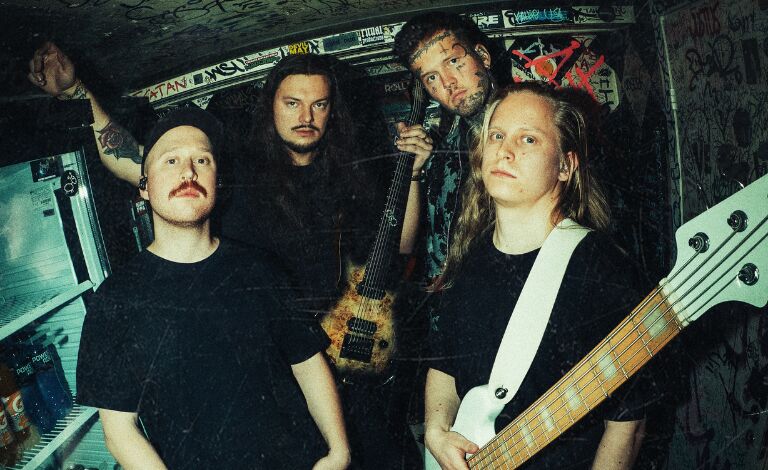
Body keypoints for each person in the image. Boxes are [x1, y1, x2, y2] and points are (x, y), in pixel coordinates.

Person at [29, 43, 429, 468]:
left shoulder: (350, 174)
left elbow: (396, 249)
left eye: (319, 104)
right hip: (268, 377)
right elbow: (135, 161)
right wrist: (77, 92)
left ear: (333, 111)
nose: (306, 116)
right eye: (292, 102)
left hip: (347, 365)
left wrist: (414, 175)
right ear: (270, 105)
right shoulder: (234, 173)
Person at [75, 107, 350, 469]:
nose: (188, 171)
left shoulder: (260, 269)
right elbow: (119, 430)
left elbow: (308, 364)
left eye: (202, 160)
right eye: (171, 160)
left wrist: (338, 451)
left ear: (218, 182)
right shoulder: (114, 300)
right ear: (144, 188)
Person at [425, 82, 647, 469]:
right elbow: (445, 364)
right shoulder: (473, 257)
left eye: (528, 139)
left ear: (565, 166)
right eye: (497, 135)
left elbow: (629, 422)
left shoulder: (601, 266)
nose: (504, 151)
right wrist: (436, 431)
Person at [393, 12, 507, 281]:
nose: (448, 83)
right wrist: (413, 171)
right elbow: (403, 247)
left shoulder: (535, 129)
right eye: (431, 78)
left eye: (454, 62)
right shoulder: (442, 154)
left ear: (483, 56)